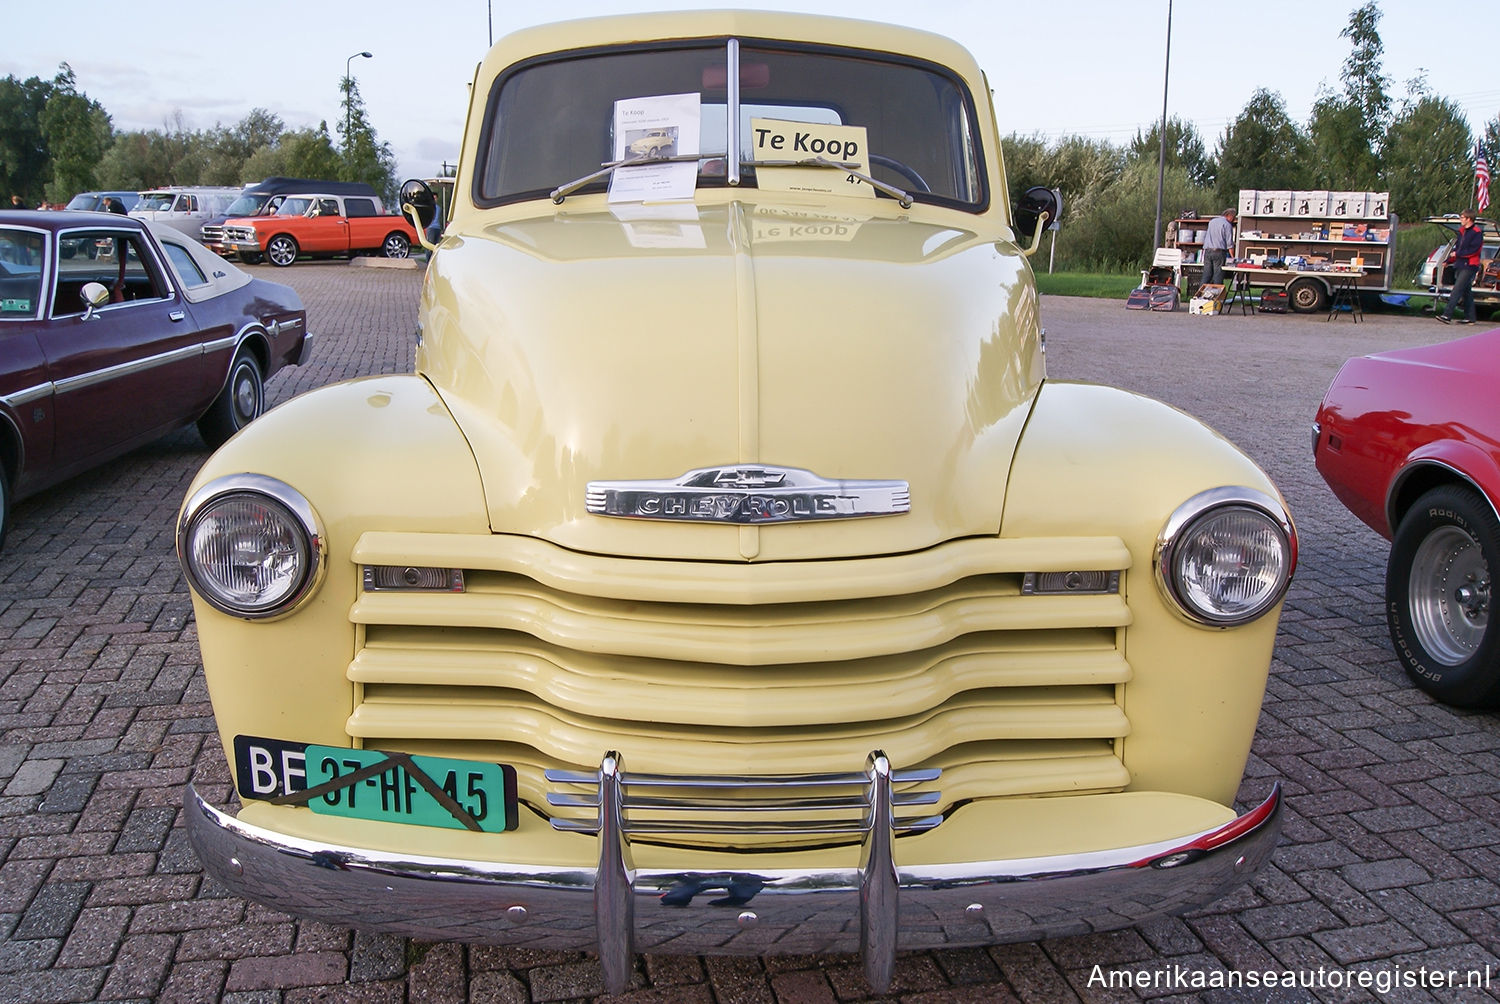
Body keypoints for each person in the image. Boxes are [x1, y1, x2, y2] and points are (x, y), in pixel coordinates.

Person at [1438, 209, 1483, 324]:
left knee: (1457, 289)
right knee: (1466, 292)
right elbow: (1458, 248)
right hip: (1460, 264)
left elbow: (1474, 250)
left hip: (1470, 265)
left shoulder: (1477, 232)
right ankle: (1470, 317)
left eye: (1462, 218)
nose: (1461, 220)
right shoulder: (1462, 231)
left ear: (1469, 219)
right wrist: (1449, 260)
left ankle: (1447, 315)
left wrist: (1458, 254)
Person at [1201, 208, 1236, 286]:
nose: (1234, 220)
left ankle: (1200, 295)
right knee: (1218, 275)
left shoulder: (1212, 222)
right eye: (1234, 217)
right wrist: (1233, 258)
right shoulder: (1227, 225)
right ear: (1229, 216)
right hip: (1219, 252)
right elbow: (1229, 243)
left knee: (1206, 275)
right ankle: (1217, 295)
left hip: (1207, 251)